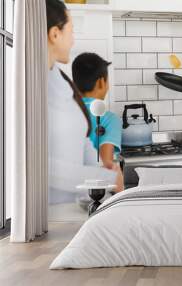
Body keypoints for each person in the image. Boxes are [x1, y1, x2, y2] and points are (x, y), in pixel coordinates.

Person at [46, 0, 123, 203]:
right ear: (55, 34)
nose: (73, 40)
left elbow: (83, 141)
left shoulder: (61, 81)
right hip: (45, 216)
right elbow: (31, 165)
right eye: (71, 31)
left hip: (72, 209)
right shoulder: (27, 85)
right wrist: (108, 178)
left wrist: (101, 173)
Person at [72, 53, 122, 170]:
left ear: (74, 83)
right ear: (101, 82)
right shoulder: (110, 120)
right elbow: (106, 165)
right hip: (92, 185)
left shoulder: (66, 112)